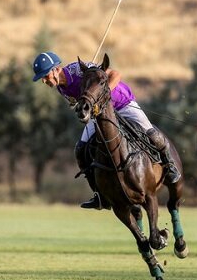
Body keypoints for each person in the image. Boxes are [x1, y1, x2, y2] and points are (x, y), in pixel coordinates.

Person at [32, 51, 181, 210]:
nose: (44, 80)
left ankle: (170, 166)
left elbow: (115, 74)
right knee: (81, 149)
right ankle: (98, 195)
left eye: (45, 75)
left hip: (123, 104)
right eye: (42, 77)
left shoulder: (78, 70)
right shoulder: (61, 88)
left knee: (152, 134)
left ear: (55, 69)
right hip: (100, 114)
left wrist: (105, 92)